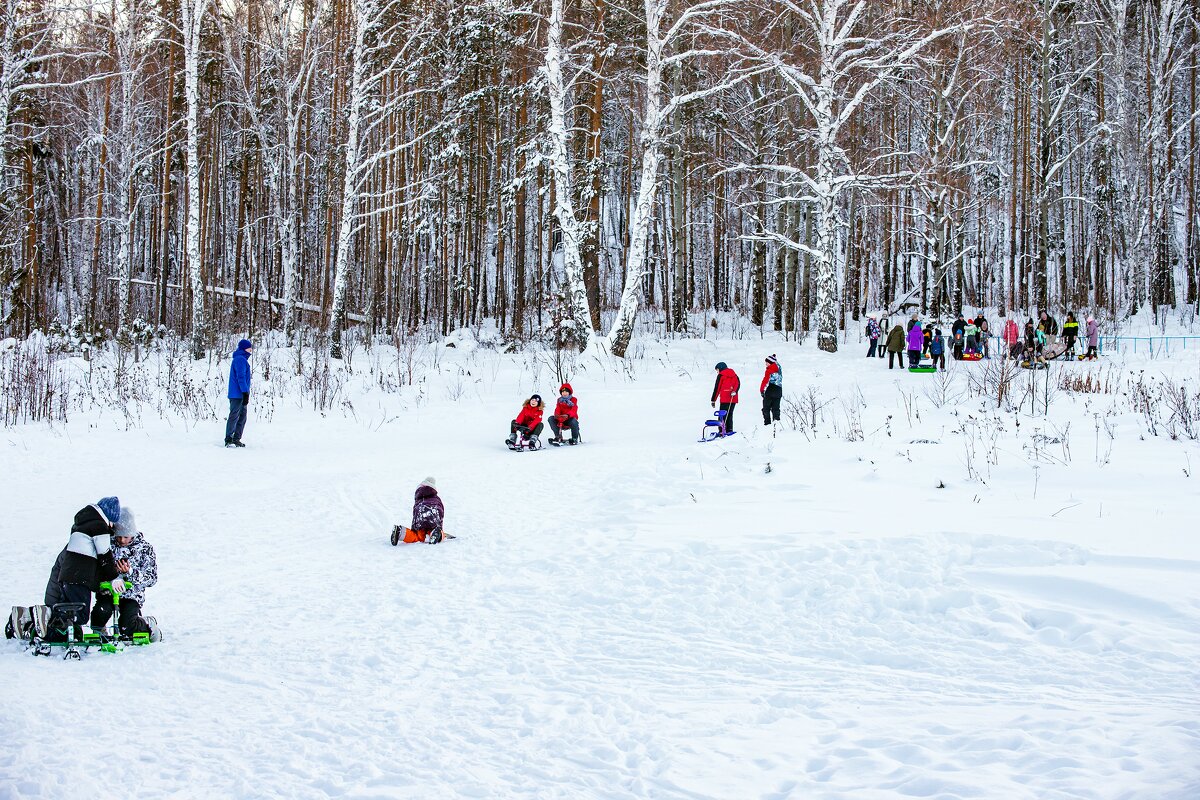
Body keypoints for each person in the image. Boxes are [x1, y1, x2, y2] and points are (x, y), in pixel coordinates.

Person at [44, 497, 121, 639]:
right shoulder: (99, 525)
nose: (111, 527)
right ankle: (49, 616)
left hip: (68, 575)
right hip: (81, 577)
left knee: (69, 610)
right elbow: (104, 554)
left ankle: (52, 629)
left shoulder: (83, 523)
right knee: (80, 614)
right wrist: (114, 578)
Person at [90, 508, 159, 641]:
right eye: (119, 536)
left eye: (125, 537)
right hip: (108, 592)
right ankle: (100, 632)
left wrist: (130, 573)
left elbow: (152, 578)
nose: (121, 540)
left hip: (131, 594)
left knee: (127, 626)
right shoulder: (107, 546)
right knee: (100, 613)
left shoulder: (144, 549)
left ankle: (146, 625)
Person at [394, 477, 445, 544]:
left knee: (417, 536)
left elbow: (415, 512)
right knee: (433, 530)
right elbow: (440, 510)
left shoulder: (418, 498)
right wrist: (439, 526)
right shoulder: (436, 498)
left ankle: (400, 532)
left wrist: (415, 527)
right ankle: (437, 533)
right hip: (432, 516)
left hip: (420, 518)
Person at [225, 338, 253, 447]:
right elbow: (240, 377)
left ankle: (236, 438)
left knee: (242, 416)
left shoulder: (241, 359)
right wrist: (245, 392)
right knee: (235, 415)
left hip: (240, 393)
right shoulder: (240, 359)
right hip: (237, 394)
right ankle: (229, 438)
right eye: (249, 348)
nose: (250, 351)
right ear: (244, 348)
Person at [711, 362, 740, 434]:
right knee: (729, 414)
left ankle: (721, 430)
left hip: (724, 399)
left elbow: (717, 388)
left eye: (717, 370)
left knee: (722, 415)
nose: (717, 372)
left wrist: (713, 400)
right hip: (733, 398)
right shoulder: (735, 375)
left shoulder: (721, 375)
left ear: (720, 368)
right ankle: (729, 429)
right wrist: (734, 391)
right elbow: (738, 384)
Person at [760, 354, 782, 425]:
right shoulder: (779, 370)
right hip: (778, 390)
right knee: (776, 409)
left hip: (770, 390)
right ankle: (776, 424)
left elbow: (765, 381)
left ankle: (767, 424)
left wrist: (762, 390)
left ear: (770, 363)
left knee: (766, 408)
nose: (765, 364)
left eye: (766, 362)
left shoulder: (769, 370)